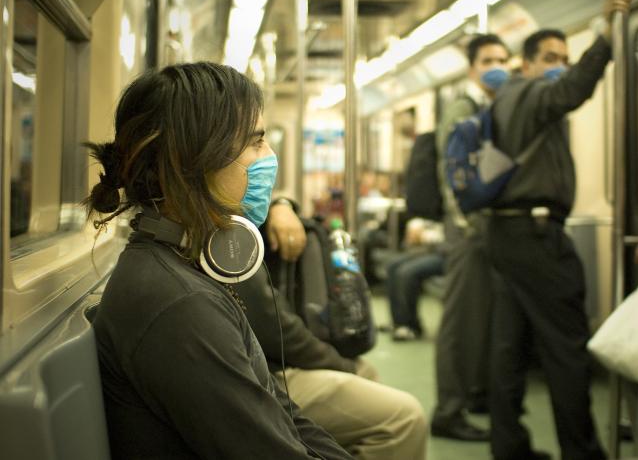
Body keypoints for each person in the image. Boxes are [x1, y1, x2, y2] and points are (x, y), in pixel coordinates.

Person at [88, 62, 352, 459]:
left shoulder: (184, 263)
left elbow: (282, 415)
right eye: (256, 142)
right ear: (194, 158)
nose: (270, 157)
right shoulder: (178, 304)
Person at [481, 0, 633, 460]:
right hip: (536, 237)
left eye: (564, 58)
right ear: (525, 64)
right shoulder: (529, 94)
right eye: (550, 57)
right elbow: (574, 89)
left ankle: (509, 446)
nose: (559, 66)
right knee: (566, 347)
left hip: (506, 234)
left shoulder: (506, 100)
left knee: (510, 343)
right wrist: (604, 33)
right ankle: (582, 452)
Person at [242, 200, 429, 460]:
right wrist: (339, 363)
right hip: (261, 374)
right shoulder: (230, 241)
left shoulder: (237, 224)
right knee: (404, 418)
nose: (265, 163)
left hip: (265, 362)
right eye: (254, 155)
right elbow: (278, 329)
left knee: (365, 372)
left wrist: (281, 204)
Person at [431, 33, 510, 441]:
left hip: (482, 226)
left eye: (502, 58)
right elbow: (453, 173)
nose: (497, 66)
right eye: (488, 60)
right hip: (467, 227)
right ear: (472, 68)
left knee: (482, 317)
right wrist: (465, 224)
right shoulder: (463, 109)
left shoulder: (490, 108)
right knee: (461, 321)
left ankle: (474, 395)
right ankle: (448, 411)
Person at [385, 217, 445, 341]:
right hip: (432, 248)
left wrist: (428, 236)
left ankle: (411, 326)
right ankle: (398, 322)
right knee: (392, 266)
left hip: (448, 253)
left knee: (406, 273)